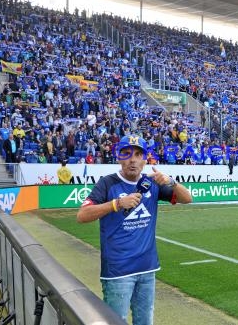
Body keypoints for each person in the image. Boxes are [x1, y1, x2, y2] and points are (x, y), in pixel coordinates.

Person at [76, 134, 192, 325]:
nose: (133, 159)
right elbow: (82, 216)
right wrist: (117, 203)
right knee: (115, 321)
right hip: (118, 273)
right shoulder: (107, 183)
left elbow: (187, 199)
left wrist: (171, 181)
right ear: (119, 157)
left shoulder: (152, 182)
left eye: (138, 154)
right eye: (127, 153)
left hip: (147, 269)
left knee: (145, 322)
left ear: (145, 160)